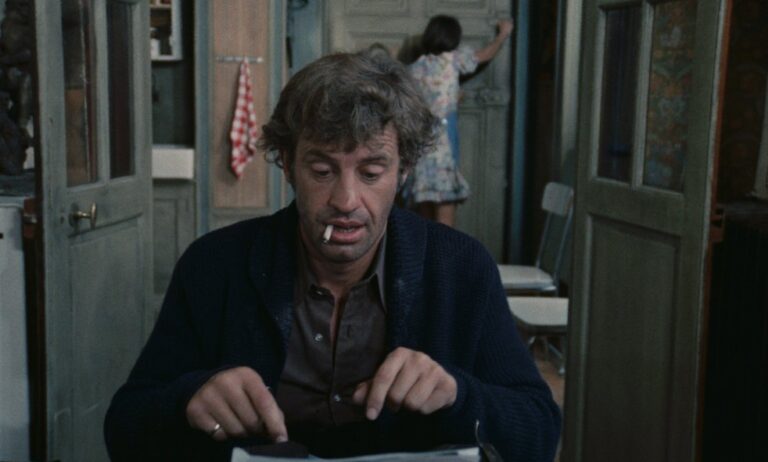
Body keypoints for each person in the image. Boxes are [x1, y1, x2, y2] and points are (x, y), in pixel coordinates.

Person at [104, 52, 559, 461]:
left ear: (403, 169)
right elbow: (124, 429)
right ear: (287, 164)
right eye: (322, 170)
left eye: (371, 172)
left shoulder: (461, 267)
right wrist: (187, 401)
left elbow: (539, 433)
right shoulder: (214, 265)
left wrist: (457, 396)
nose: (346, 200)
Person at [401, 15, 514, 227]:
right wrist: (503, 35)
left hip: (422, 147)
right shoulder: (453, 60)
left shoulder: (416, 68)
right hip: (443, 145)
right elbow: (485, 54)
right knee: (446, 223)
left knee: (425, 221)